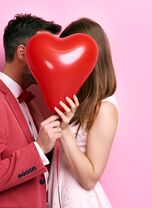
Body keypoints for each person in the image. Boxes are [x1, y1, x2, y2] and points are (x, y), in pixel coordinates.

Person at [0, 14, 62, 208]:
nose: (50, 62)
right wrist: (38, 149)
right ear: (22, 52)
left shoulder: (28, 102)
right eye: (45, 53)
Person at [47, 17, 119, 208]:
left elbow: (89, 179)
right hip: (56, 197)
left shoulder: (105, 108)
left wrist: (64, 131)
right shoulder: (76, 100)